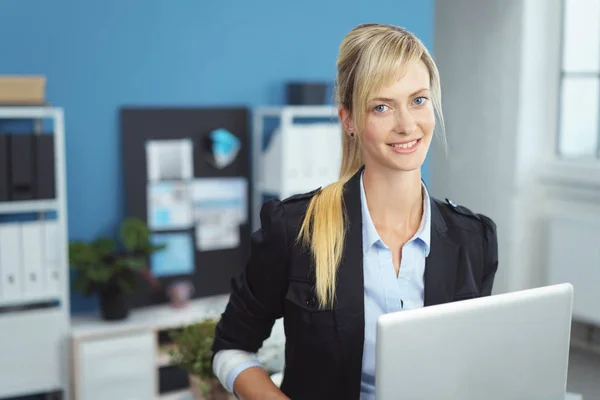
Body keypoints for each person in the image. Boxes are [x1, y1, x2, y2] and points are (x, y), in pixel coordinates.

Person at [211, 23, 499, 400]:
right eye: (382, 106)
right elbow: (230, 348)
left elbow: (470, 364)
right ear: (349, 120)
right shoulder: (295, 229)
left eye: (418, 100)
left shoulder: (474, 239)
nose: (407, 124)